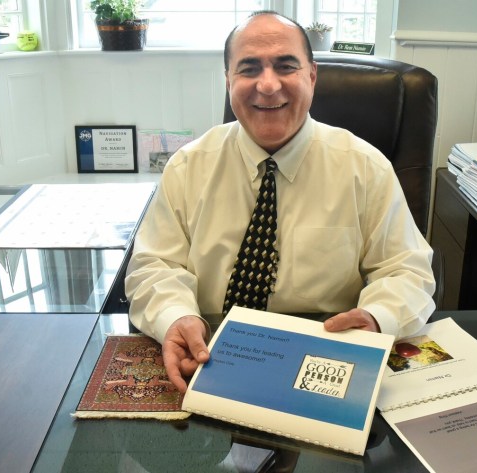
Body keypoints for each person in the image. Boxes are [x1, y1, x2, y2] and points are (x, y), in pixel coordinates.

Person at [125, 10, 436, 394]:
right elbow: (154, 265)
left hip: (322, 364)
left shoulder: (365, 168)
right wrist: (176, 316)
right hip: (208, 356)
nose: (268, 85)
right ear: (228, 81)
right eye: (249, 68)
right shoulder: (188, 166)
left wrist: (376, 317)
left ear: (312, 76)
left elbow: (408, 271)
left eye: (286, 66)